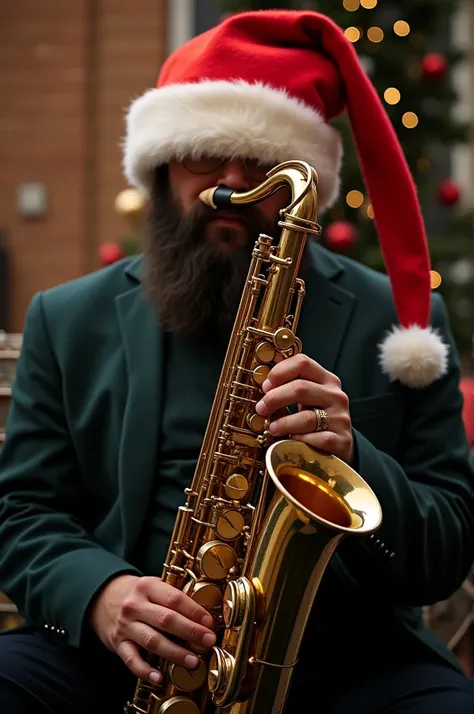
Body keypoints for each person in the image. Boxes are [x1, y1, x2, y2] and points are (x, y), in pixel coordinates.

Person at [1, 9, 474, 714]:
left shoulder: (401, 322)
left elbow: (447, 547)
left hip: (351, 661)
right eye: (203, 156)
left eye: (261, 164)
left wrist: (355, 455)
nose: (229, 183)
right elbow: (21, 512)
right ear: (160, 168)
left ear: (302, 184)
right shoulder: (69, 317)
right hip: (123, 658)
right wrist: (102, 596)